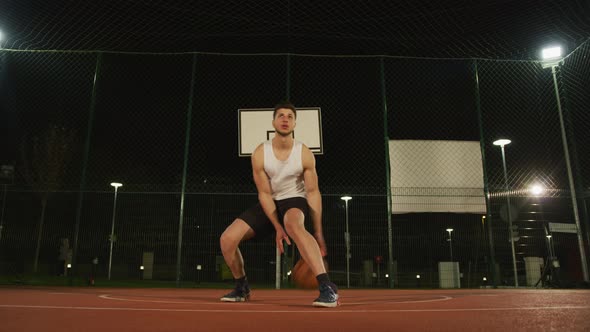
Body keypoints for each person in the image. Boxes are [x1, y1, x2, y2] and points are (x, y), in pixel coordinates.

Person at [219, 102, 339, 307]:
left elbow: (312, 192)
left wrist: (318, 232)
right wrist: (276, 227)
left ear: (295, 123)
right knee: (227, 239)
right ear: (273, 121)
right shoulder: (260, 153)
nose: (285, 119)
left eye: (290, 116)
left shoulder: (304, 153)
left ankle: (327, 287)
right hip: (270, 202)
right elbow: (264, 194)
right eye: (281, 115)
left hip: (294, 199)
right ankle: (242, 286)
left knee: (293, 224)